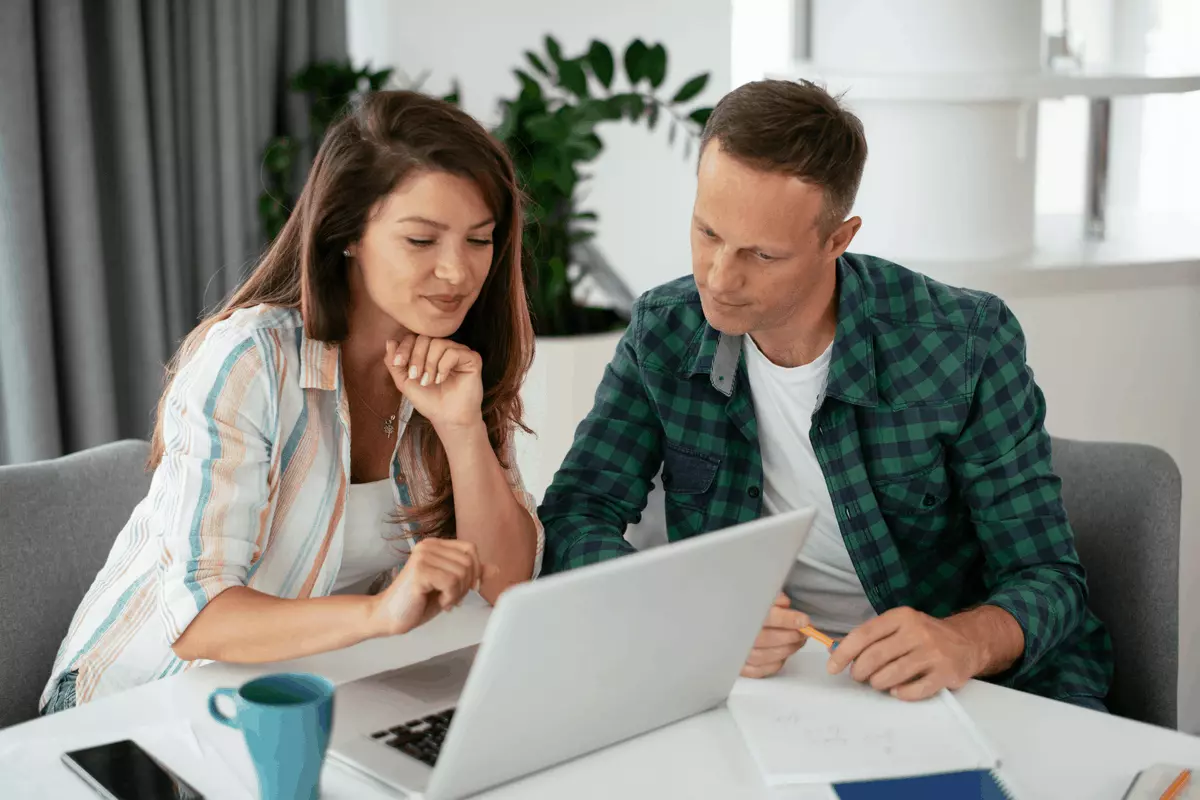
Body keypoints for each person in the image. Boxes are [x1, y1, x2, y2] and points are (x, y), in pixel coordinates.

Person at [539, 79, 1112, 709]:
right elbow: (576, 516)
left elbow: (1050, 579)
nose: (720, 278)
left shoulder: (966, 344)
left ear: (837, 240)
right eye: (707, 233)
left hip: (965, 688)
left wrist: (962, 641)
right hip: (768, 684)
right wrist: (689, 616)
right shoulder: (664, 333)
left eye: (761, 253)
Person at [41, 91, 543, 713]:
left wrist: (462, 428)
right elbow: (199, 617)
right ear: (348, 234)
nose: (458, 273)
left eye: (479, 239)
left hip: (305, 693)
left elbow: (507, 583)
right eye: (421, 240)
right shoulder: (250, 360)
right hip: (137, 705)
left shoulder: (454, 362)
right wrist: (380, 613)